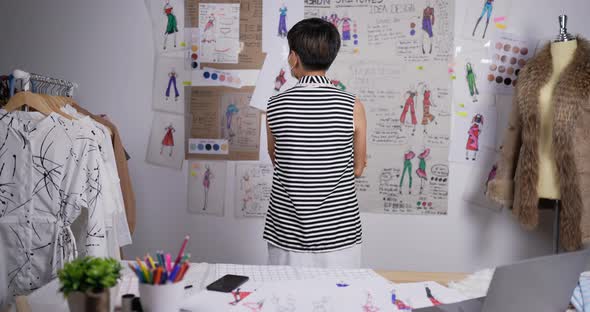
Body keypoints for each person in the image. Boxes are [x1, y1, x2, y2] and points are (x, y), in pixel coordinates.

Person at [264, 18, 367, 268]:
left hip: (287, 232)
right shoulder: (352, 105)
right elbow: (358, 168)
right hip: (339, 233)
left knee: (285, 303)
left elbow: (277, 158)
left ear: (293, 57)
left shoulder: (275, 104)